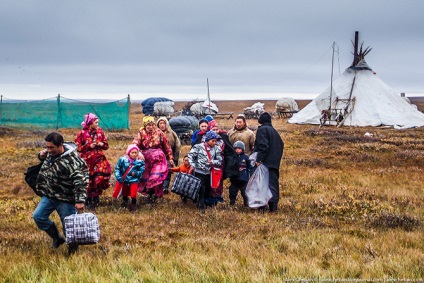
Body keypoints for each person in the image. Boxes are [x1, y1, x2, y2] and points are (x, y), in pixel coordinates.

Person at [32, 132, 88, 255]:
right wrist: (41, 156)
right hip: (50, 195)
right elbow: (46, 161)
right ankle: (57, 238)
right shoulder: (50, 154)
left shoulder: (72, 161)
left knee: (69, 227)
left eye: (51, 147)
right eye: (47, 147)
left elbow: (80, 181)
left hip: (65, 199)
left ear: (60, 145)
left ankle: (73, 252)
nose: (48, 150)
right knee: (38, 217)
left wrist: (79, 201)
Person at [133, 116, 174, 203]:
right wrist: (138, 152)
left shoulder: (159, 133)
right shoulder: (141, 132)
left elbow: (167, 146)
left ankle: (155, 195)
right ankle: (149, 196)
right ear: (145, 125)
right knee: (146, 179)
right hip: (146, 161)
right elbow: (135, 144)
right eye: (148, 125)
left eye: (152, 125)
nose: (151, 127)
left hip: (158, 159)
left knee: (156, 177)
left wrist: (170, 158)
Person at [75, 113, 111, 209]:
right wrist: (88, 146)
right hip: (87, 161)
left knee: (99, 176)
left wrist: (101, 144)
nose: (97, 124)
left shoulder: (100, 132)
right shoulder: (82, 133)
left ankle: (96, 195)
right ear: (90, 123)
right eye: (96, 122)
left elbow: (106, 146)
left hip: (99, 158)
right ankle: (89, 200)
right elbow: (77, 148)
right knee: (89, 180)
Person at [254, 112, 284, 212]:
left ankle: (262, 207)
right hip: (274, 163)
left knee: (262, 185)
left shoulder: (262, 130)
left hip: (265, 164)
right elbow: (281, 145)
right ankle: (273, 207)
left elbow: (263, 146)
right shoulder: (275, 132)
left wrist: (259, 160)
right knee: (273, 185)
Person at [188, 131, 222, 211]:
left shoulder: (217, 149)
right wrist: (193, 165)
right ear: (207, 140)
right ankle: (201, 205)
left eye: (215, 141)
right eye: (212, 141)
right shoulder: (198, 147)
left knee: (208, 189)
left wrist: (213, 162)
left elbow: (219, 161)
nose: (214, 142)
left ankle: (205, 204)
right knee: (201, 188)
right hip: (199, 171)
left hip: (210, 173)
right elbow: (191, 156)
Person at [113, 144, 145, 212]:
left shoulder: (140, 162)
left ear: (137, 153)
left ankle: (133, 205)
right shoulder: (122, 160)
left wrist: (136, 174)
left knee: (133, 193)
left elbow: (142, 171)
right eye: (132, 152)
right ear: (128, 152)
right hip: (124, 180)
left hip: (134, 180)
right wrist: (118, 177)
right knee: (125, 192)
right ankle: (124, 202)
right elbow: (117, 168)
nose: (133, 154)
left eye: (135, 152)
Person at [157, 117, 181, 194]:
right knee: (158, 172)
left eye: (163, 123)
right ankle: (159, 187)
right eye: (160, 123)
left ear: (166, 124)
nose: (162, 125)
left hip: (169, 156)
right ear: (158, 124)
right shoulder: (155, 133)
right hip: (158, 157)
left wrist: (175, 158)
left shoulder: (172, 133)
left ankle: (165, 188)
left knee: (168, 172)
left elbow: (177, 145)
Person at [229, 141, 251, 206]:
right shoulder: (232, 157)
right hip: (234, 179)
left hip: (244, 179)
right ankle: (232, 203)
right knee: (232, 192)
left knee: (245, 193)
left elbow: (249, 167)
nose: (237, 150)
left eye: (239, 148)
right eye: (236, 149)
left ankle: (246, 204)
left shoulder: (246, 157)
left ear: (242, 149)